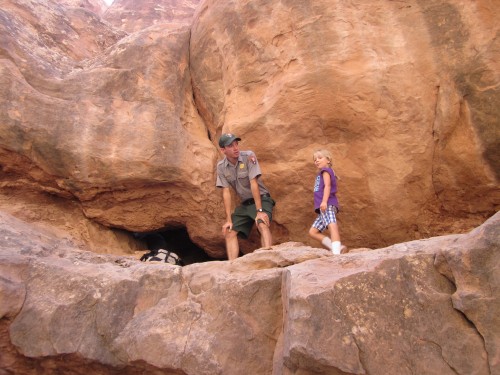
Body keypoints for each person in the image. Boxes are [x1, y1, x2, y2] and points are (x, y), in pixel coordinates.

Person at [216, 133, 275, 260]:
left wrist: (259, 211)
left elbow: (254, 183)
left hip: (261, 199)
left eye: (236, 144)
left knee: (262, 223)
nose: (236, 148)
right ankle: (232, 266)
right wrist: (228, 220)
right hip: (245, 204)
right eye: (230, 146)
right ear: (223, 150)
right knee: (229, 231)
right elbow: (225, 192)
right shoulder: (221, 167)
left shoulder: (249, 156)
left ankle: (269, 260)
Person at [308, 149, 346, 255]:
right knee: (313, 232)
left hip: (327, 204)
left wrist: (324, 201)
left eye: (320, 158)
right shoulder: (321, 173)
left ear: (328, 160)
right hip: (323, 208)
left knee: (332, 225)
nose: (317, 161)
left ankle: (336, 252)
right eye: (315, 159)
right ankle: (338, 247)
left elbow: (327, 186)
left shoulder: (326, 171)